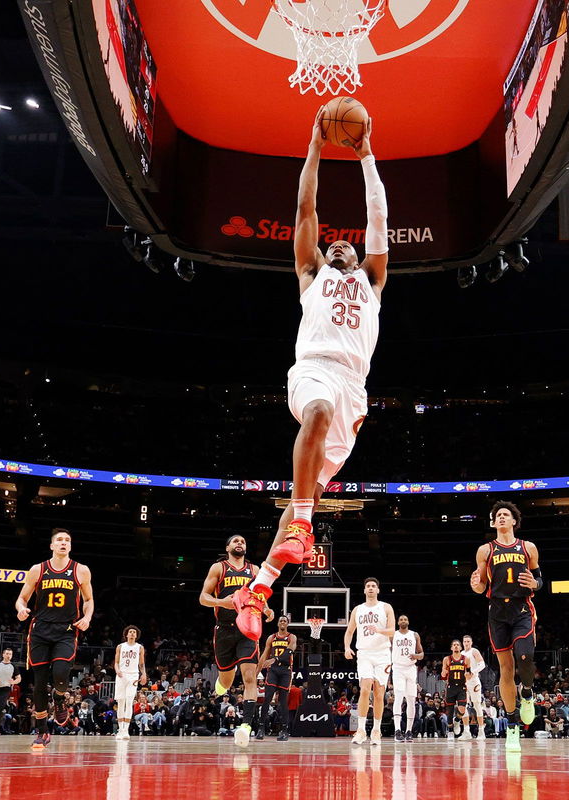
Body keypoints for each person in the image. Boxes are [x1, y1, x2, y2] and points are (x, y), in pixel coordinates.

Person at [232, 107, 389, 640]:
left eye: (349, 244)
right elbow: (304, 206)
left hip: (355, 389)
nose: (342, 244)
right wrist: (316, 147)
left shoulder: (372, 278)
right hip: (315, 370)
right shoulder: (310, 273)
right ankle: (301, 519)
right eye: (335, 243)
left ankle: (258, 588)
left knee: (316, 487)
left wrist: (366, 155)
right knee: (316, 415)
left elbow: (378, 220)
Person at [470, 501, 542, 752]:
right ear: (494, 522)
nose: (500, 517)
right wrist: (475, 585)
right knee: (505, 668)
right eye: (497, 515)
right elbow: (480, 586)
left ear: (514, 521)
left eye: (505, 515)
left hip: (522, 608)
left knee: (525, 656)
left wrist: (536, 584)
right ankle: (512, 725)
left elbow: (539, 579)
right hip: (497, 611)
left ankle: (528, 693)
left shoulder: (528, 547)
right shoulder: (485, 550)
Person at [15, 528, 94, 750]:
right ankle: (42, 732)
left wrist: (87, 617)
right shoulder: (37, 569)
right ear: (51, 545)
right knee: (39, 683)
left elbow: (88, 600)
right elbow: (22, 598)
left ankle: (59, 697)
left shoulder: (81, 570)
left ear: (70, 546)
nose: (63, 543)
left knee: (60, 674)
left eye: (67, 540)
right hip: (40, 630)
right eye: (59, 540)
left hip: (66, 630)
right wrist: (21, 608)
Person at [199, 534, 274, 749]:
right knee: (227, 681)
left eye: (243, 541)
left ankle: (246, 726)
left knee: (250, 677)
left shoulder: (255, 571)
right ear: (228, 547)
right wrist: (221, 602)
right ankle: (222, 685)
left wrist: (267, 609)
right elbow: (203, 597)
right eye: (235, 541)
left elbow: (261, 597)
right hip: (224, 630)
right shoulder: (219, 568)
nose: (240, 543)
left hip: (248, 629)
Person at [344, 577, 395, 745]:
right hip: (364, 653)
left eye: (374, 586)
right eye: (368, 586)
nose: (371, 588)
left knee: (379, 694)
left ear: (378, 590)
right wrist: (346, 647)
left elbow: (392, 631)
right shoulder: (357, 610)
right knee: (365, 689)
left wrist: (378, 630)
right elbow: (350, 631)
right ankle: (360, 730)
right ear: (364, 590)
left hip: (382, 654)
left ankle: (376, 730)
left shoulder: (386, 607)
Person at [258, 615, 297, 741]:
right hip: (273, 671)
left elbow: (288, 653)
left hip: (285, 671)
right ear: (278, 623)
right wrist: (256, 672)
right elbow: (264, 655)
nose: (282, 622)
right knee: (267, 698)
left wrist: (274, 659)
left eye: (285, 621)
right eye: (280, 620)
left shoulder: (291, 637)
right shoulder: (272, 637)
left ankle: (285, 731)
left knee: (283, 702)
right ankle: (261, 729)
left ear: (287, 624)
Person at [390, 615, 423, 742]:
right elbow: (387, 651)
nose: (403, 621)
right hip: (398, 668)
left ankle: (409, 730)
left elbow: (421, 653)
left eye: (405, 619)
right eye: (401, 619)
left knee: (411, 699)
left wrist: (416, 655)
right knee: (398, 697)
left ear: (408, 622)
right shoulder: (393, 635)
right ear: (398, 622)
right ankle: (397, 730)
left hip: (410, 668)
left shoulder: (414, 635)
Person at [113, 626, 146, 740]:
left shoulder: (139, 647)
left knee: (129, 700)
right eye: (130, 632)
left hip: (133, 675)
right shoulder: (120, 646)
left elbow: (141, 663)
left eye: (134, 632)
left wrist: (144, 674)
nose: (132, 633)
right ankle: (120, 729)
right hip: (121, 675)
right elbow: (116, 662)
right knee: (121, 702)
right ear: (126, 634)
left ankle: (126, 730)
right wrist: (117, 670)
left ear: (136, 635)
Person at [440, 640, 472, 741]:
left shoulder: (466, 659)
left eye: (458, 645)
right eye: (454, 645)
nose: (456, 646)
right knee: (449, 711)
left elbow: (469, 673)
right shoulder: (447, 659)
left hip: (462, 687)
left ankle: (457, 721)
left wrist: (469, 675)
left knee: (462, 709)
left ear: (461, 647)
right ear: (451, 648)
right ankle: (450, 731)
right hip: (451, 687)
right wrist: (444, 673)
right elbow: (443, 675)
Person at [0, 647, 21, 738]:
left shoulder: (13, 666)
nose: (8, 655)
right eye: (7, 653)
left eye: (10, 654)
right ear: (3, 654)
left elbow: (19, 678)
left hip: (5, 689)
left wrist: (13, 682)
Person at [460, 635, 488, 740]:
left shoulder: (474, 651)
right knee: (462, 706)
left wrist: (473, 671)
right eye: (465, 641)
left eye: (468, 641)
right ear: (463, 643)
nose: (466, 643)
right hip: (464, 682)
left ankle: (481, 731)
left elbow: (482, 664)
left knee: (477, 705)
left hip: (474, 681)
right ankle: (466, 732)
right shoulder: (461, 654)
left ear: (471, 642)